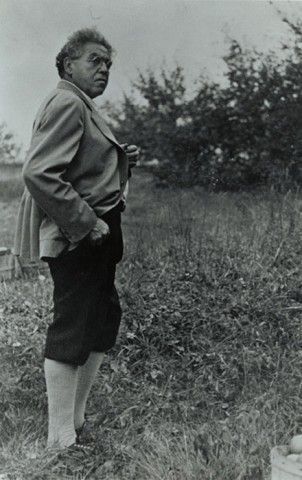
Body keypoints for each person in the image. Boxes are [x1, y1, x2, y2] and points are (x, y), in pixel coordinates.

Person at [13, 27, 139, 451]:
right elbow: (39, 173)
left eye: (108, 63)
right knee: (73, 326)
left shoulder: (80, 104)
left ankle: (76, 420)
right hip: (81, 235)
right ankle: (60, 438)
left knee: (101, 321)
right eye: (94, 60)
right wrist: (87, 224)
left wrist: (120, 160)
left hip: (96, 231)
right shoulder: (67, 101)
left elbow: (80, 167)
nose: (104, 69)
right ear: (68, 64)